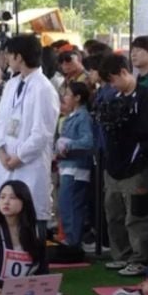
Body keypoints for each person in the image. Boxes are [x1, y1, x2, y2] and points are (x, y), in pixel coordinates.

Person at [0, 35, 60, 228]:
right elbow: (0, 121)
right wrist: (1, 152)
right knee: (3, 212)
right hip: (7, 157)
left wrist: (18, 157)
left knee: (29, 214)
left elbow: (42, 133)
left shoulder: (44, 88)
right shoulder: (11, 84)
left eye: (10, 55)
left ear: (19, 57)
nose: (7, 59)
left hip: (28, 163)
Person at [97, 55, 148, 276]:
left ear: (124, 72)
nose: (112, 85)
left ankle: (140, 257)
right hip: (112, 165)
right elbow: (105, 127)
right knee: (113, 212)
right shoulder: (111, 96)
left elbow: (146, 129)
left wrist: (125, 121)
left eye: (113, 80)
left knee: (137, 214)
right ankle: (120, 254)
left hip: (136, 165)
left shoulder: (144, 95)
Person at [56, 81, 95, 247]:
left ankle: (73, 241)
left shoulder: (84, 117)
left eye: (67, 94)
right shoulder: (71, 117)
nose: (64, 97)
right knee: (66, 204)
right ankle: (70, 239)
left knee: (72, 205)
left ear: (78, 98)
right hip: (67, 167)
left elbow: (88, 141)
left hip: (77, 168)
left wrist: (68, 144)